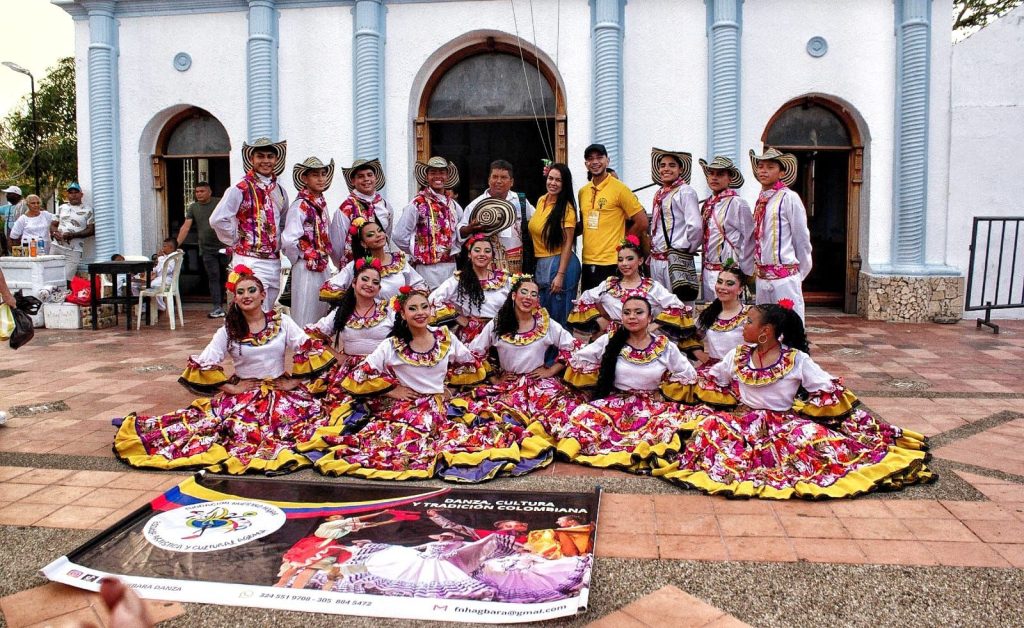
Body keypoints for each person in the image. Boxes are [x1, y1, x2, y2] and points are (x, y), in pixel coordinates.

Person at [660, 302, 933, 499]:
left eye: (749, 323)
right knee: (707, 431)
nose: (744, 327)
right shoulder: (739, 354)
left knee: (818, 445)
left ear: (766, 330)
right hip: (743, 419)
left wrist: (820, 411)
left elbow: (826, 387)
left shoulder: (796, 359)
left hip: (784, 423)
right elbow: (715, 379)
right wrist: (682, 379)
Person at [113, 267, 336, 474]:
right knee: (229, 432)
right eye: (240, 292)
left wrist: (294, 382)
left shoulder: (283, 321)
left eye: (252, 290)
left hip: (280, 392)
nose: (246, 295)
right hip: (245, 394)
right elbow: (204, 362)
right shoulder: (229, 329)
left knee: (305, 427)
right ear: (235, 298)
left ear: (262, 295)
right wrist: (231, 387)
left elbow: (309, 347)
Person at [308, 288, 542, 483]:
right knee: (393, 448)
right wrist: (392, 389)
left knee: (477, 440)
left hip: (438, 408)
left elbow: (472, 361)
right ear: (403, 314)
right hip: (405, 409)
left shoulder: (445, 337)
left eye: (424, 307)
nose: (420, 313)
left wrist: (451, 385)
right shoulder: (392, 344)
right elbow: (359, 374)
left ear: (431, 310)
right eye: (413, 308)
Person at [553, 296, 702, 471]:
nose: (632, 317)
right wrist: (602, 376)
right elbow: (580, 358)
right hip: (615, 402)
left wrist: (663, 391)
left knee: (662, 434)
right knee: (582, 421)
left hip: (651, 405)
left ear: (650, 318)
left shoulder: (664, 346)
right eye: (627, 313)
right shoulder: (610, 340)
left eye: (638, 312)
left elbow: (687, 373)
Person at [461, 275, 583, 470]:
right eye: (524, 292)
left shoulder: (546, 324)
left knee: (558, 418)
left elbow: (572, 348)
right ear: (513, 295)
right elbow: (475, 352)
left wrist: (551, 370)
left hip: (539, 385)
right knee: (496, 422)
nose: (528, 297)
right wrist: (494, 377)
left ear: (537, 300)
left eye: (533, 294)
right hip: (508, 386)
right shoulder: (497, 324)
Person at [567, 235, 696, 346]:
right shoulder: (609, 285)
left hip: (643, 340)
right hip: (613, 339)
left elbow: (677, 306)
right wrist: (601, 320)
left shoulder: (652, 286)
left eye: (630, 259)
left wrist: (653, 326)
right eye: (620, 259)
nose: (624, 263)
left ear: (640, 261)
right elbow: (584, 299)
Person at [211, 137, 290, 310]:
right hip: (249, 260)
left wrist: (279, 244)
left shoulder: (280, 191)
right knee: (251, 310)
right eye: (260, 156)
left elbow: (284, 222)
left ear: (276, 160)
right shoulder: (240, 188)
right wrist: (235, 239)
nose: (266, 161)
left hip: (273, 260)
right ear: (252, 160)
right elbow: (217, 219)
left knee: (267, 309)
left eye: (270, 156)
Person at [307, 257, 396, 390]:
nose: (370, 284)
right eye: (364, 279)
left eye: (375, 282)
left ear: (379, 289)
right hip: (350, 374)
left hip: (382, 371)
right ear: (354, 283)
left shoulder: (388, 309)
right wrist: (337, 356)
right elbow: (312, 335)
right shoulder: (342, 311)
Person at [748, 148, 813, 320]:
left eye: (770, 167)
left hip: (785, 276)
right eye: (761, 166)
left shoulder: (789, 198)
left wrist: (798, 273)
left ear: (782, 172)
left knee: (790, 325)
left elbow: (802, 238)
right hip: (762, 277)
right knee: (765, 325)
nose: (763, 170)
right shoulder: (761, 200)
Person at [281, 157, 344, 327]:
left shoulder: (321, 204)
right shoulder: (300, 205)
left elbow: (327, 235)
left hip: (322, 265)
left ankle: (318, 350)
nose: (321, 179)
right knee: (305, 312)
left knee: (321, 311)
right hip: (306, 266)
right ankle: (303, 349)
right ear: (304, 178)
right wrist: (300, 259)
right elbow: (288, 240)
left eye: (323, 174)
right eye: (315, 175)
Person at [578, 144, 648, 290]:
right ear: (586, 164)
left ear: (607, 161)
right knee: (590, 309)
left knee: (612, 309)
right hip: (587, 261)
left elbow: (642, 222)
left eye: (599, 157)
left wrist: (623, 244)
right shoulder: (583, 192)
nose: (595, 162)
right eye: (590, 159)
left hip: (612, 261)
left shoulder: (620, 189)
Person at [393, 156, 463, 289]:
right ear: (426, 176)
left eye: (441, 172)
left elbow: (459, 235)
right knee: (427, 303)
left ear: (447, 176)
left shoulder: (453, 205)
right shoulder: (417, 203)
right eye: (433, 173)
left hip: (450, 266)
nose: (438, 176)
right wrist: (418, 250)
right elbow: (399, 236)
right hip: (426, 268)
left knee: (448, 307)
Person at [320, 216, 425, 302]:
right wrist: (355, 299)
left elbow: (418, 284)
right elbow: (329, 287)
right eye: (371, 235)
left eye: (379, 231)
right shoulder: (356, 265)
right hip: (372, 317)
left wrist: (406, 301)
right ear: (363, 243)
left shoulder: (399, 261)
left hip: (399, 318)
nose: (378, 235)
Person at [457, 159, 535, 274]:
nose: (498, 181)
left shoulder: (521, 201)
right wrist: (471, 228)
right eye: (495, 177)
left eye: (503, 177)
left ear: (511, 182)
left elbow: (537, 223)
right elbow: (460, 232)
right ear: (489, 180)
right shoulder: (476, 205)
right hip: (486, 265)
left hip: (516, 264)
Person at [430, 233, 511, 342]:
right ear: (469, 254)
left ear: (492, 255)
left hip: (500, 332)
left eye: (487, 251)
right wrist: (457, 316)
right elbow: (433, 299)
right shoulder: (459, 280)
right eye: (477, 250)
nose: (482, 254)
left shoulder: (504, 280)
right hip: (473, 336)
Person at [529, 163, 581, 326]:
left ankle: (563, 352)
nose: (553, 183)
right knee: (544, 317)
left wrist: (560, 275)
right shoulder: (541, 200)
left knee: (559, 320)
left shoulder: (567, 208)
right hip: (543, 262)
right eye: (551, 178)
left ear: (564, 183)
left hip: (560, 264)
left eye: (558, 180)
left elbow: (568, 243)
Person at [647, 148, 702, 303]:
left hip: (675, 258)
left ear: (680, 169)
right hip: (657, 259)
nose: (666, 169)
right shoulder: (660, 193)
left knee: (680, 306)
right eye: (663, 165)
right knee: (659, 306)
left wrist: (685, 249)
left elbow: (695, 226)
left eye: (672, 165)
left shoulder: (685, 192)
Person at [698, 156, 754, 302]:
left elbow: (750, 237)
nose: (714, 178)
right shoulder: (707, 204)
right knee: (710, 312)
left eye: (720, 174)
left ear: (730, 178)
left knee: (730, 314)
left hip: (729, 269)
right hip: (708, 269)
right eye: (711, 174)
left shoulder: (737, 203)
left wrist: (745, 270)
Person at [176, 181, 227, 318]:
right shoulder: (193, 207)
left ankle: (234, 306)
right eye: (197, 191)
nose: (199, 194)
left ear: (209, 192)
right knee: (214, 277)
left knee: (228, 277)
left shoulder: (219, 202)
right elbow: (186, 227)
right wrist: (175, 246)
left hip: (225, 247)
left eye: (202, 191)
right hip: (206, 249)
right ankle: (218, 307)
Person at [337, 158, 393, 264]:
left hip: (383, 263)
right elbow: (338, 245)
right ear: (353, 181)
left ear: (375, 178)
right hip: (357, 266)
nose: (366, 179)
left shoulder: (385, 205)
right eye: (360, 176)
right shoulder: (345, 208)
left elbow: (387, 235)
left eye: (369, 175)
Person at [133, 237, 180, 313]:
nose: (162, 248)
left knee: (152, 285)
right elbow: (158, 268)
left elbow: (167, 270)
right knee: (134, 284)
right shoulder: (165, 257)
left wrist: (160, 259)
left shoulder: (174, 257)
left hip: (167, 280)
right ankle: (143, 307)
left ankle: (161, 307)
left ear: (171, 248)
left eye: (165, 246)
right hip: (159, 278)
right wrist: (150, 271)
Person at [0, 185, 25, 254]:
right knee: (11, 256)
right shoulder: (6, 207)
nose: (6, 195)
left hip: (19, 237)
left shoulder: (24, 206)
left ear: (16, 195)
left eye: (9, 194)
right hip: (8, 238)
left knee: (19, 256)